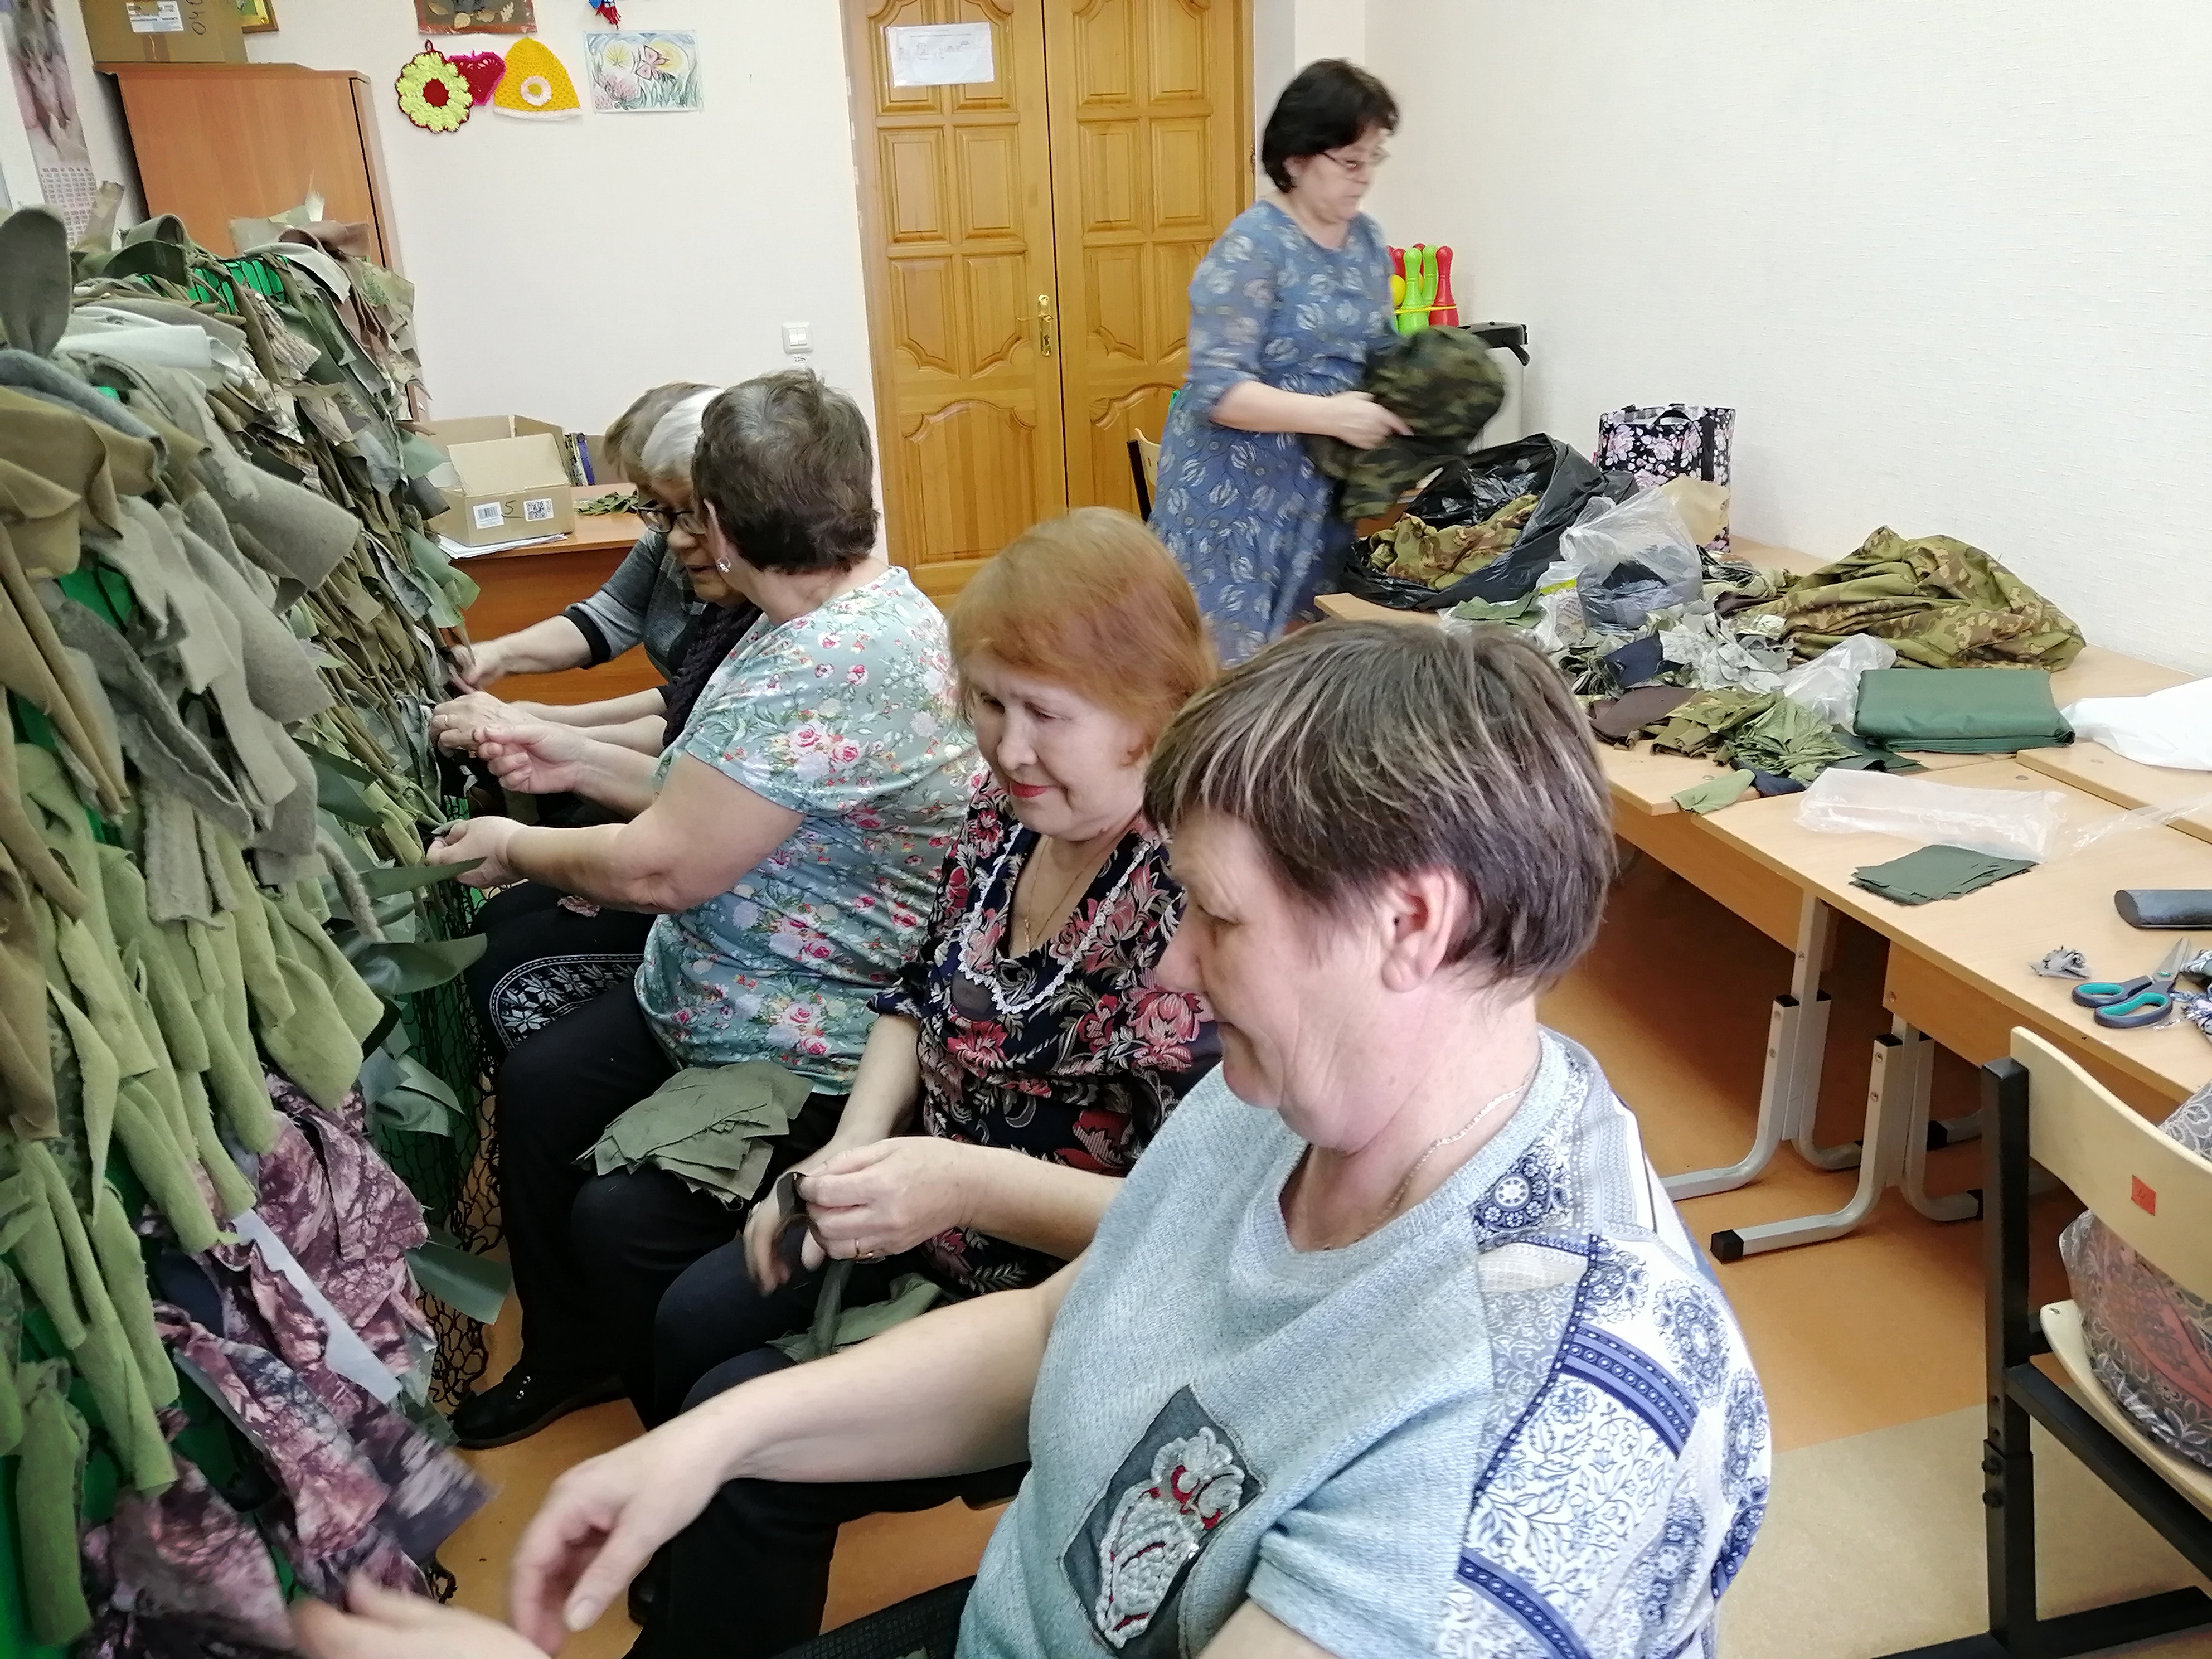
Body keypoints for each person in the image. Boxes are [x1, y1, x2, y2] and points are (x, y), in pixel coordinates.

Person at [313, 619, 1769, 1659]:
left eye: (1219, 918)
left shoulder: (1524, 1428)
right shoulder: (1306, 1099)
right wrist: (717, 1439)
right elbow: (1079, 1322)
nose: (1178, 968)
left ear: (1411, 923)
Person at [618, 508, 1220, 1655]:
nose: (1008, 746)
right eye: (988, 704)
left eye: (1046, 713)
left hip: (1051, 1284)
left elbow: (1181, 1224)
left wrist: (954, 1183)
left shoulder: (1191, 898)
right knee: (693, 1313)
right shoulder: (1010, 813)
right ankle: (687, 1553)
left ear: (1151, 708)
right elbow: (916, 986)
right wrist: (853, 1149)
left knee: (749, 1444)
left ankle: (714, 1571)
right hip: (918, 1197)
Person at [426, 370, 979, 1452]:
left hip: (808, 1039)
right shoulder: (806, 621)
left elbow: (661, 871)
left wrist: (513, 843)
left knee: (617, 1218)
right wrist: (563, 751)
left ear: (718, 525)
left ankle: (684, 1456)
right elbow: (706, 794)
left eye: (683, 517)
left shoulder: (833, 658)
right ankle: (573, 1355)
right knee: (542, 1087)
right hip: (710, 989)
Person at [448, 390, 765, 1059]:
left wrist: (553, 739)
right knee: (514, 914)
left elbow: (679, 757)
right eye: (653, 507)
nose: (666, 532)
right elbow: (626, 645)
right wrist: (513, 681)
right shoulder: (693, 567)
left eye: (675, 509)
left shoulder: (768, 625)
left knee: (519, 963)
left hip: (727, 913)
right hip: (681, 841)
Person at [1151, 59, 1409, 666]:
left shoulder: (1367, 242)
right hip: (1233, 498)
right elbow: (1218, 392)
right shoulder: (1252, 247)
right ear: (1296, 159)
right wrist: (1331, 416)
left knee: (1306, 667)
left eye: (1374, 159)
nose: (1365, 178)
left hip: (1315, 495)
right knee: (1225, 674)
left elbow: (1380, 350)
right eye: (1350, 162)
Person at [431, 385, 752, 764]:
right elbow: (613, 618)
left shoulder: (754, 596)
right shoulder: (668, 541)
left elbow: (684, 721)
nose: (673, 532)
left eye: (687, 508)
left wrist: (547, 728)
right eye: (651, 500)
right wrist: (498, 657)